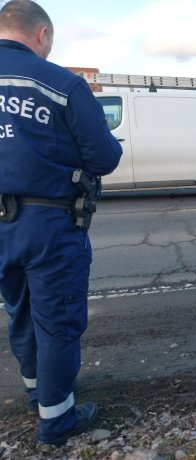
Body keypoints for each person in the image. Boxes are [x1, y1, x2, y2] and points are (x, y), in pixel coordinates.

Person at [0, 0, 122, 446]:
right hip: (48, 222)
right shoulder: (60, 82)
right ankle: (57, 420)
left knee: (20, 309)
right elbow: (105, 158)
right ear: (42, 36)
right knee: (57, 318)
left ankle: (36, 391)